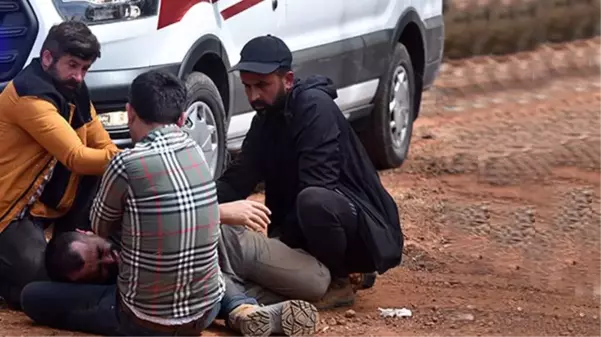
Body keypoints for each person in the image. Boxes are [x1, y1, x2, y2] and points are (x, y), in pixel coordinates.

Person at [20, 70, 318, 337]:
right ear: (181, 119)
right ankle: (243, 310)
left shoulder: (125, 163)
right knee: (193, 268)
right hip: (205, 312)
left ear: (129, 113)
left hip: (143, 321)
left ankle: (241, 307)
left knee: (33, 296)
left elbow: (101, 226)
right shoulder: (197, 153)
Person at [217, 35, 403, 309]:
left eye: (262, 85)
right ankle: (334, 269)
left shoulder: (315, 107)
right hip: (315, 226)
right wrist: (197, 203)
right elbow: (237, 181)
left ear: (288, 79)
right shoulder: (265, 121)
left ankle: (339, 281)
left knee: (314, 200)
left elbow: (318, 184)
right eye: (247, 87)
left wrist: (284, 245)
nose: (253, 96)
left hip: (364, 228)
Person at [0, 20, 120, 309]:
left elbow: (103, 146)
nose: (79, 76)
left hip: (50, 204)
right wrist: (139, 160)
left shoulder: (75, 92)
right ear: (47, 58)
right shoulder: (29, 97)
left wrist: (121, 160)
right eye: (73, 65)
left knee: (81, 269)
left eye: (85, 69)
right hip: (11, 211)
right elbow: (76, 157)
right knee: (43, 285)